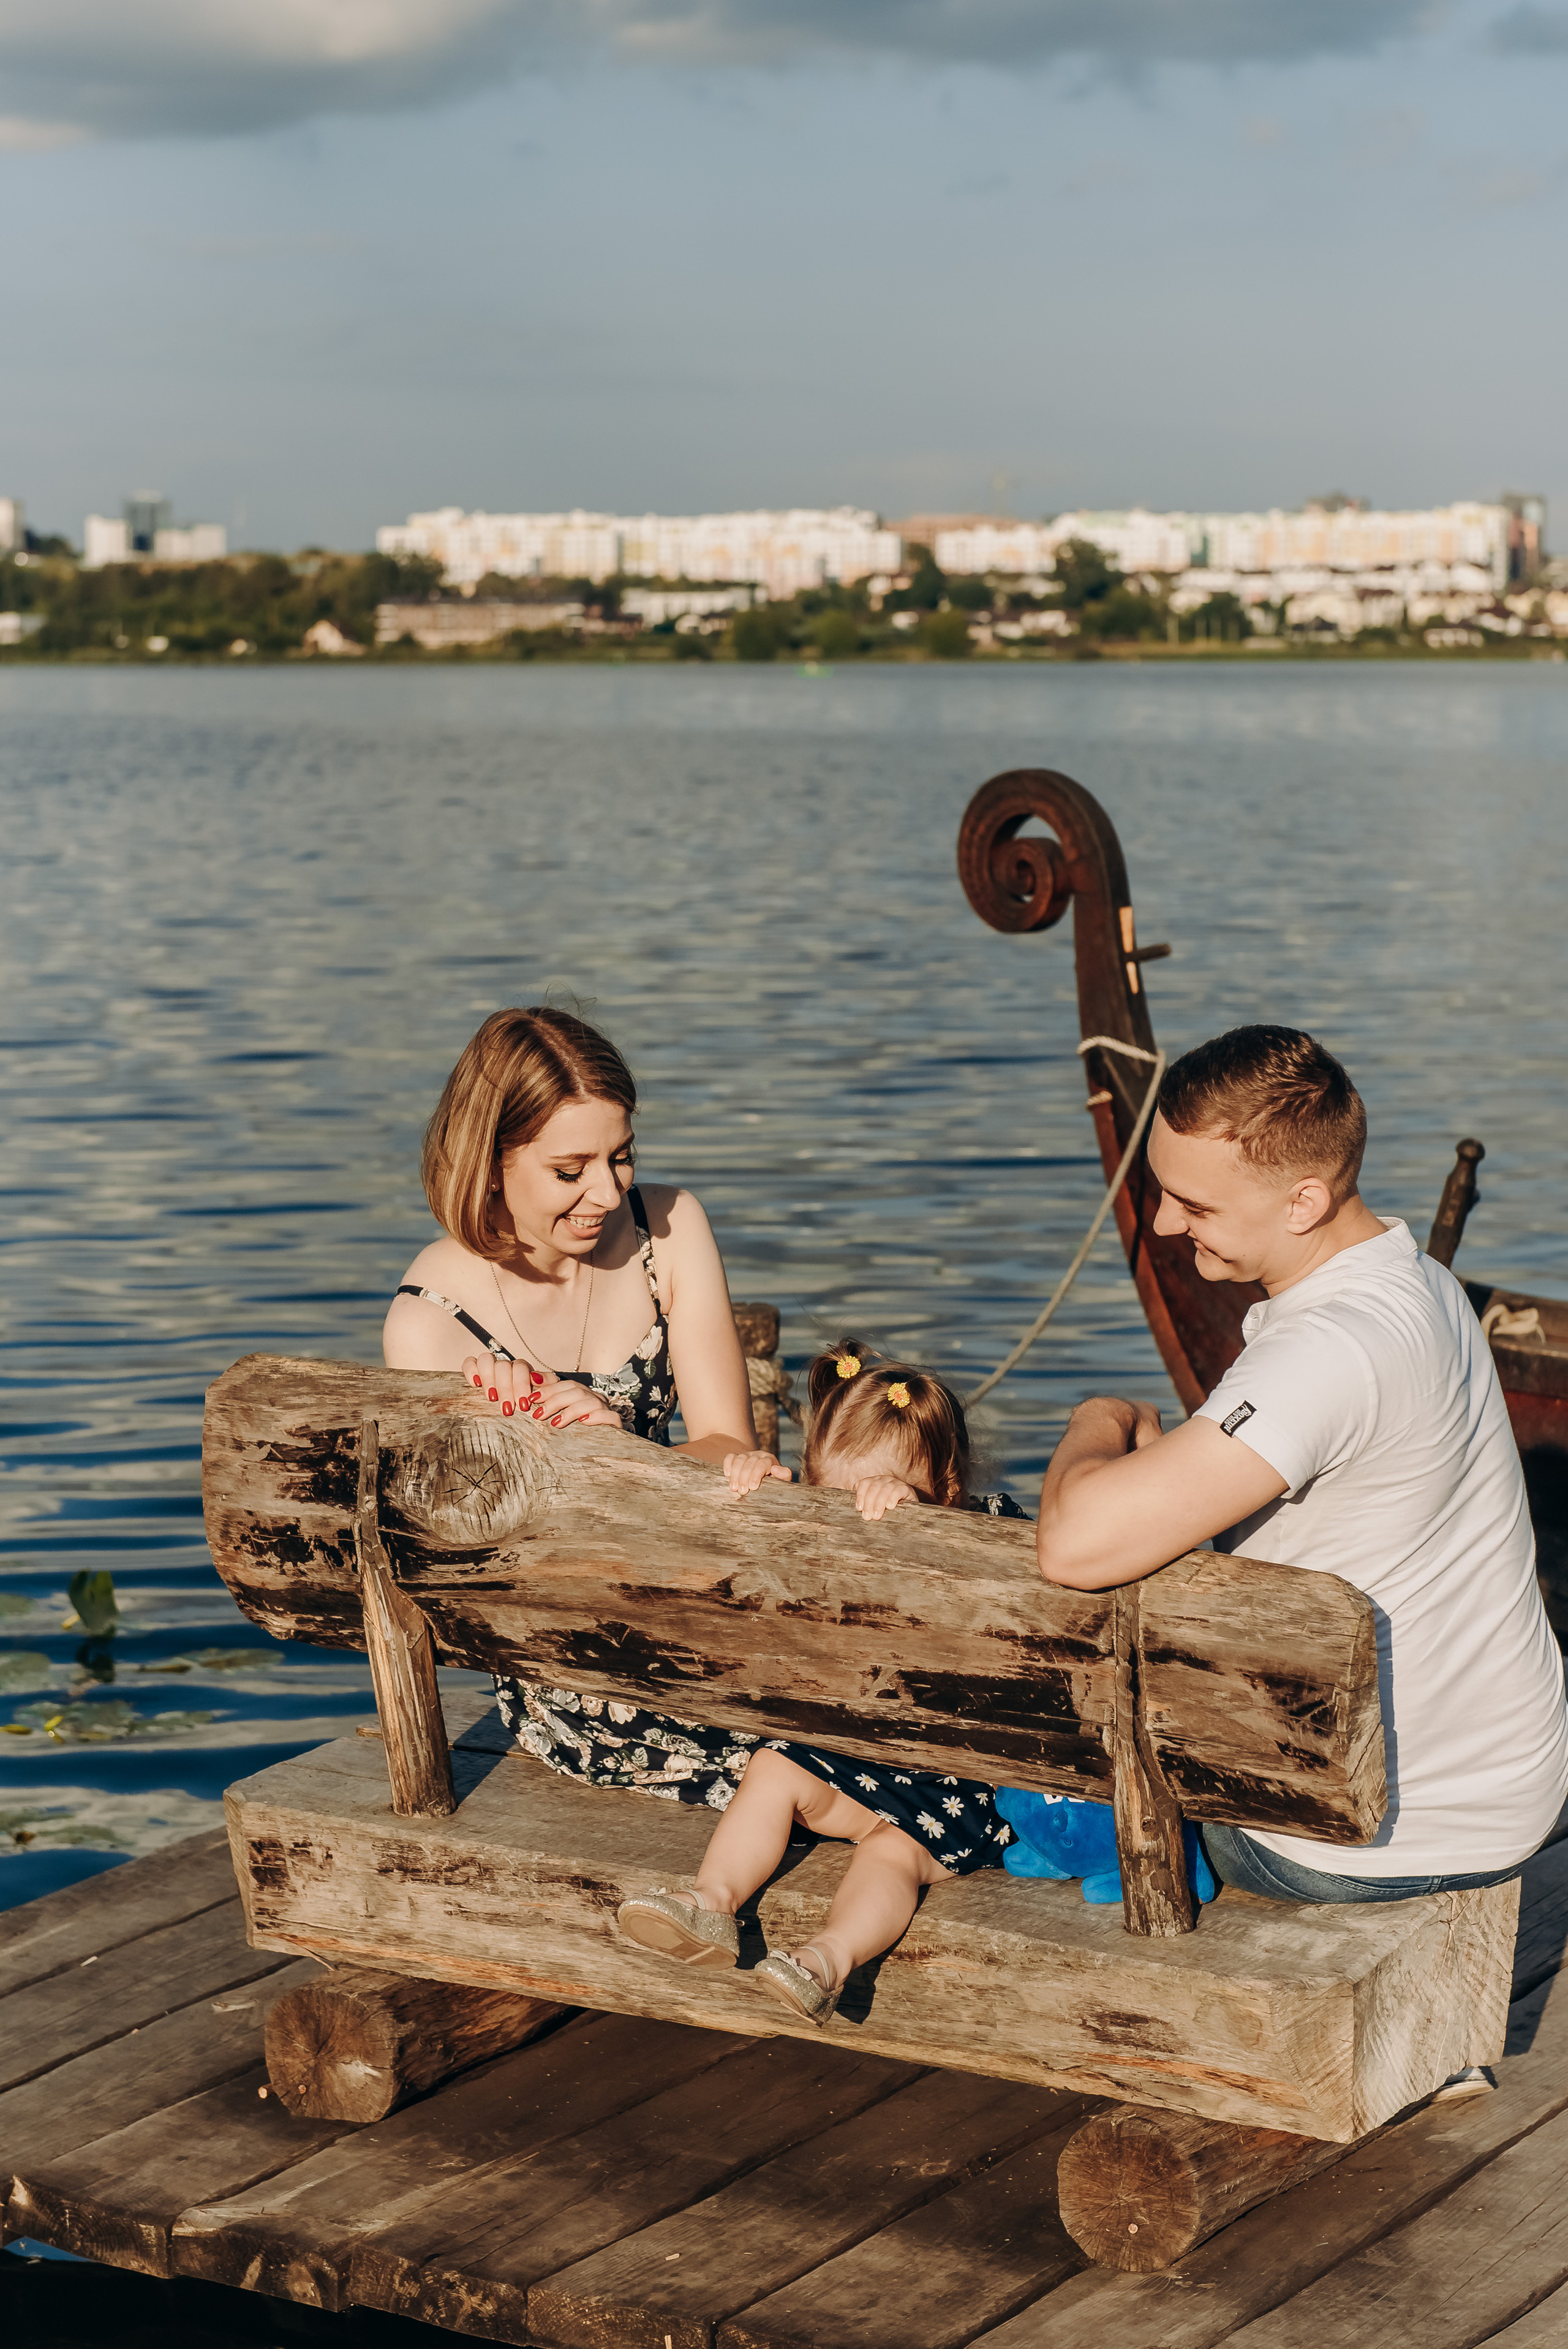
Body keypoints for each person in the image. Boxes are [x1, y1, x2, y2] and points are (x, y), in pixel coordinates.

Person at [1033, 1023, 1568, 1907]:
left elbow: (1073, 1546)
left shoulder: (1330, 1348)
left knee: (1025, 1778)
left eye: (1194, 1205)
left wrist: (1101, 1417)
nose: (1163, 1222)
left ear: (1303, 1202)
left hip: (1359, 1837)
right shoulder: (1420, 1281)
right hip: (1508, 1790)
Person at [383, 1005, 771, 1807]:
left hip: (706, 1597)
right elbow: (487, 1572)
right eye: (570, 1170)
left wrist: (623, 1453)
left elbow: (728, 1441)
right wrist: (566, 1461)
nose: (607, 1191)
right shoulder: (431, 1322)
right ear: (492, 1163)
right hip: (577, 1665)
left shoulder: (668, 1227)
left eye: (620, 1157)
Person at [615, 1343, 1029, 2025]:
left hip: (956, 1787)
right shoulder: (809, 1515)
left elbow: (1022, 1591)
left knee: (895, 1853)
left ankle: (823, 1963)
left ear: (948, 1488)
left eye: (886, 1494)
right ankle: (712, 1902)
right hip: (854, 1765)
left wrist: (924, 1529)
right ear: (812, 1480)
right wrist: (760, 1496)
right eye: (835, 1499)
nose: (860, 1516)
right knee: (774, 1766)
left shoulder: (989, 1527)